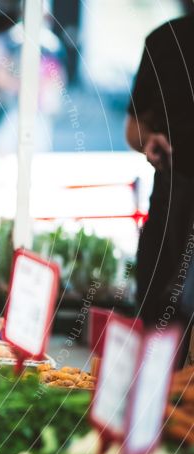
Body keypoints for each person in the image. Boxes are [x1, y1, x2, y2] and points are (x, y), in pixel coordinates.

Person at [125, 14, 194, 326]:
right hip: (172, 199)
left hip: (171, 199)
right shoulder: (164, 40)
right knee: (158, 315)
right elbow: (134, 128)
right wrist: (148, 140)